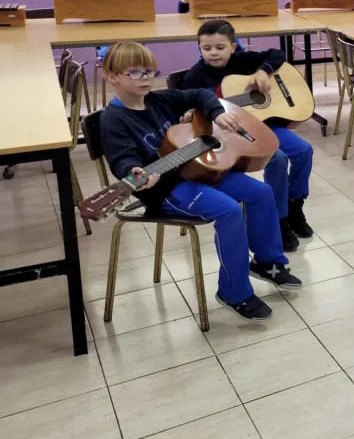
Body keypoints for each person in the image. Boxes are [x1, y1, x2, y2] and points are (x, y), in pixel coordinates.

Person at [99, 41, 301, 322]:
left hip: (195, 169)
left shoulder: (159, 99)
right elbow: (123, 160)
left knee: (262, 191)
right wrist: (136, 172)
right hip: (165, 189)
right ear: (111, 77)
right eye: (134, 72)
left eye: (149, 71)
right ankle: (234, 292)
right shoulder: (114, 120)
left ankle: (268, 261)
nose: (145, 78)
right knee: (229, 211)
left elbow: (198, 95)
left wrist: (218, 113)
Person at [182, 19, 314, 252]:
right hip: (232, 133)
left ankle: (295, 205)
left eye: (220, 47)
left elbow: (277, 53)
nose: (213, 53)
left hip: (262, 123)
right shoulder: (195, 77)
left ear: (233, 47)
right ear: (199, 48)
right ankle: (279, 219)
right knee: (278, 158)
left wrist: (264, 71)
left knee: (304, 150)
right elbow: (188, 112)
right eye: (206, 48)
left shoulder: (242, 61)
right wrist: (191, 113)